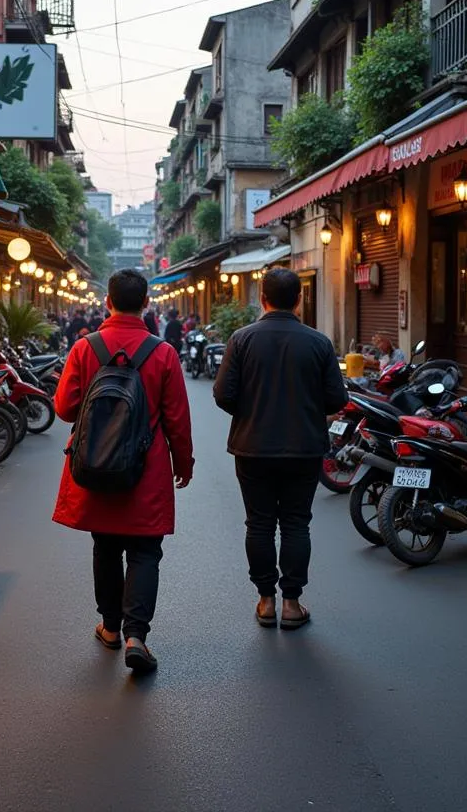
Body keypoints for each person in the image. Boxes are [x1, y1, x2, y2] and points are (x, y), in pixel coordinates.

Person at [52, 269, 194, 673]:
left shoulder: (85, 348)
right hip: (145, 471)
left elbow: (63, 408)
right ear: (146, 304)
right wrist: (183, 464)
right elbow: (177, 420)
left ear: (107, 302)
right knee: (146, 551)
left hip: (97, 466)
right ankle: (137, 636)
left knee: (107, 547)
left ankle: (110, 628)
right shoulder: (162, 352)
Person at [212, 268, 347, 630]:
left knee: (258, 523)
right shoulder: (318, 343)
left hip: (252, 447)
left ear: (262, 297)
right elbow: (337, 397)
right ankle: (292, 603)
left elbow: (223, 394)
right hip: (303, 448)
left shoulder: (241, 339)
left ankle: (265, 601)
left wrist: (251, 411)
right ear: (300, 299)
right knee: (295, 523)